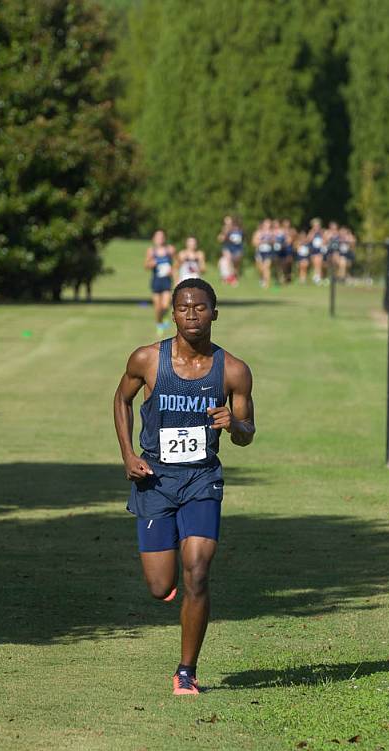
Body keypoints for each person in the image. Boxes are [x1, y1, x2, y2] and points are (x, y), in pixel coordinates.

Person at [112, 277, 256, 696]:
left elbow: (247, 433)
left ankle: (186, 671)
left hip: (201, 479)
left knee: (198, 571)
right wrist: (127, 454)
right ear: (172, 313)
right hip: (154, 479)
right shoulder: (147, 360)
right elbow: (120, 400)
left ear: (215, 312)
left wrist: (236, 425)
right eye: (183, 308)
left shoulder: (232, 370)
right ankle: (167, 578)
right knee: (160, 588)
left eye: (200, 307)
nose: (191, 315)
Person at [145, 230, 176, 337]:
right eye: (157, 237)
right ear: (154, 239)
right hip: (156, 281)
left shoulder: (170, 249)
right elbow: (146, 265)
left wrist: (173, 271)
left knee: (166, 305)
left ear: (165, 238)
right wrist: (151, 264)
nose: (160, 239)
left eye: (162, 236)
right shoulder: (151, 251)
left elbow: (176, 263)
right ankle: (159, 324)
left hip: (167, 281)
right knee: (157, 307)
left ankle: (162, 318)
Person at [253, 219, 274, 288]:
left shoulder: (272, 233)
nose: (267, 226)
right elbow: (254, 242)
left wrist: (271, 241)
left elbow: (274, 242)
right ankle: (262, 278)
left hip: (268, 252)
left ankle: (267, 284)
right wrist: (261, 241)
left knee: (266, 267)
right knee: (260, 268)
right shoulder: (258, 232)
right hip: (259, 252)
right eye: (266, 224)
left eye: (269, 224)